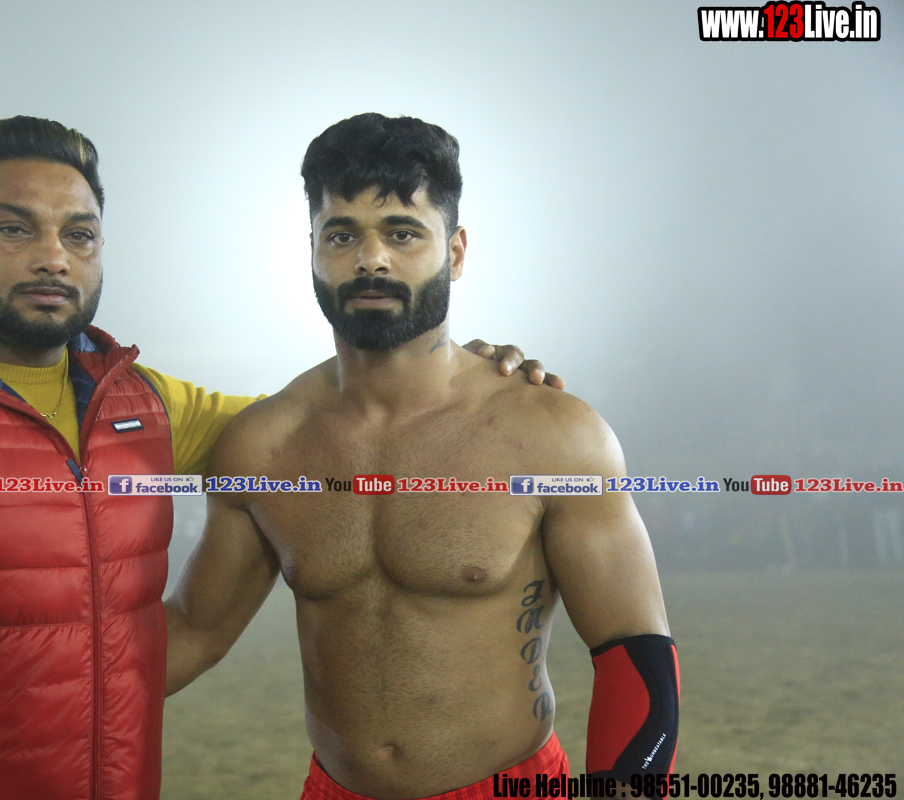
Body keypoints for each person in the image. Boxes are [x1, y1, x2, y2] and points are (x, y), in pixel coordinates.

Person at [0, 116, 557, 800]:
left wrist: (464, 377)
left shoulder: (144, 407)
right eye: (13, 228)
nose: (52, 256)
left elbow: (351, 424)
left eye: (78, 234)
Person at [165, 113, 680, 800]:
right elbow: (193, 632)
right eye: (341, 235)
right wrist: (23, 679)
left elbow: (634, 655)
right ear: (312, 251)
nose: (370, 259)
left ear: (456, 252)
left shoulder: (554, 435)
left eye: (402, 233)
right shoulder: (263, 444)